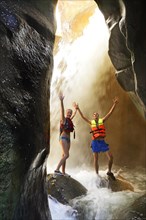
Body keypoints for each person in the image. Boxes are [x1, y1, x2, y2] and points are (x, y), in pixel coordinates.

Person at [76, 97, 119, 180]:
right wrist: (78, 109)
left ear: (98, 116)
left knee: (111, 157)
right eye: (94, 115)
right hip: (95, 142)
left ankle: (109, 171)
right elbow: (83, 117)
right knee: (96, 159)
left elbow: (110, 113)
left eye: (97, 115)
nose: (95, 116)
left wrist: (114, 104)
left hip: (102, 142)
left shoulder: (102, 120)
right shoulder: (91, 122)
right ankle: (96, 174)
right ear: (93, 116)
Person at [54, 93, 77, 176]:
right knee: (67, 155)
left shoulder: (69, 120)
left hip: (68, 140)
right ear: (66, 113)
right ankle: (57, 170)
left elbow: (73, 115)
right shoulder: (63, 119)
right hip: (63, 138)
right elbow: (62, 110)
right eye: (68, 113)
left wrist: (76, 109)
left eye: (70, 113)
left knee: (64, 155)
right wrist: (61, 101)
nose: (69, 114)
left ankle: (63, 172)